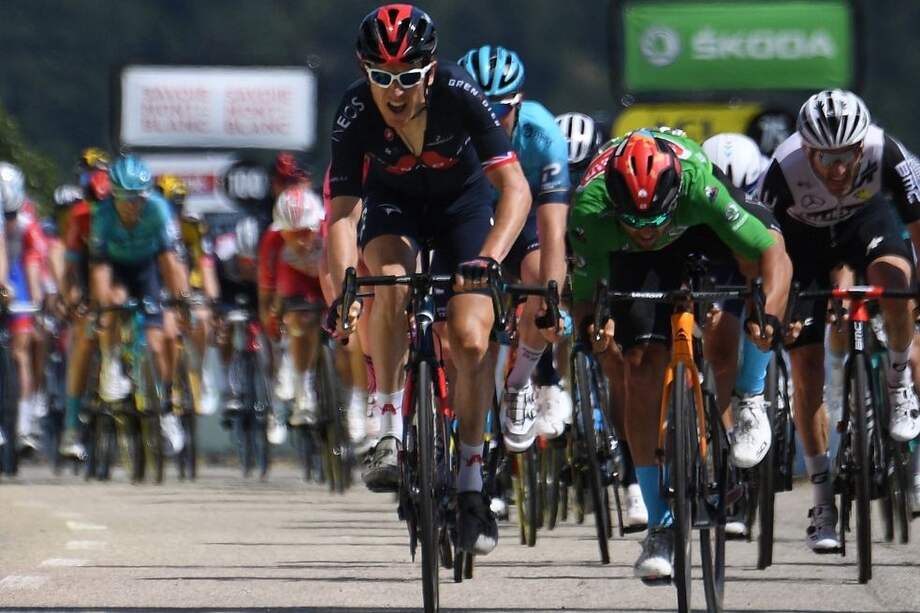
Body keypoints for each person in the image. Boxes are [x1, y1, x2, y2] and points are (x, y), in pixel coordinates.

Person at [327, 4, 531, 555]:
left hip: (463, 208)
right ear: (363, 70)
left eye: (409, 78)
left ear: (432, 70)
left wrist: (488, 260)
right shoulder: (353, 111)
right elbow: (343, 214)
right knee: (388, 284)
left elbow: (515, 190)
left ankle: (469, 478)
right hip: (395, 207)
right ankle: (388, 425)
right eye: (382, 78)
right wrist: (347, 283)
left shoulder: (462, 94)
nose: (395, 93)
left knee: (469, 337)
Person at [569, 128, 792, 580]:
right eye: (636, 221)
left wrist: (766, 320)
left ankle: (749, 395)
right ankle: (659, 525)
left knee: (758, 264)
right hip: (626, 255)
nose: (647, 232)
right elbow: (587, 296)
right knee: (639, 367)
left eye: (653, 222)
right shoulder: (590, 210)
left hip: (697, 225)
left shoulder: (697, 183)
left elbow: (772, 255)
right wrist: (594, 331)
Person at [759, 89, 920, 551]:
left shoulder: (886, 151)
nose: (837, 169)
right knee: (806, 368)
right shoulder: (782, 170)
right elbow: (762, 248)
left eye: (846, 156)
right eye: (824, 158)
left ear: (861, 144)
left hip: (864, 226)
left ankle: (897, 382)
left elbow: (917, 227)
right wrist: (773, 310)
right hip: (800, 246)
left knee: (896, 283)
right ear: (805, 148)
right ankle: (824, 501)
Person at [457, 44, 572, 451]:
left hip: (524, 214)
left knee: (540, 276)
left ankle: (520, 381)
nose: (490, 118)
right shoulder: (450, 126)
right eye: (481, 107)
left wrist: (552, 298)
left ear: (518, 102)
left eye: (500, 108)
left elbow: (554, 226)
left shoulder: (542, 134)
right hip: (469, 212)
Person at [90, 154, 190, 454]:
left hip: (148, 268)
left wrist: (181, 300)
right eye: (127, 199)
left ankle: (167, 405)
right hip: (116, 269)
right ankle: (111, 361)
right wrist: (101, 307)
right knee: (113, 301)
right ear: (115, 196)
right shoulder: (104, 215)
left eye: (140, 198)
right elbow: (98, 266)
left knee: (160, 341)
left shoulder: (158, 209)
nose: (134, 205)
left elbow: (172, 261)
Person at [0, 162, 47, 452]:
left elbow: (31, 260)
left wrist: (36, 299)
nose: (10, 220)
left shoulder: (29, 222)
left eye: (12, 215)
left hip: (14, 273)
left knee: (22, 347)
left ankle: (26, 421)